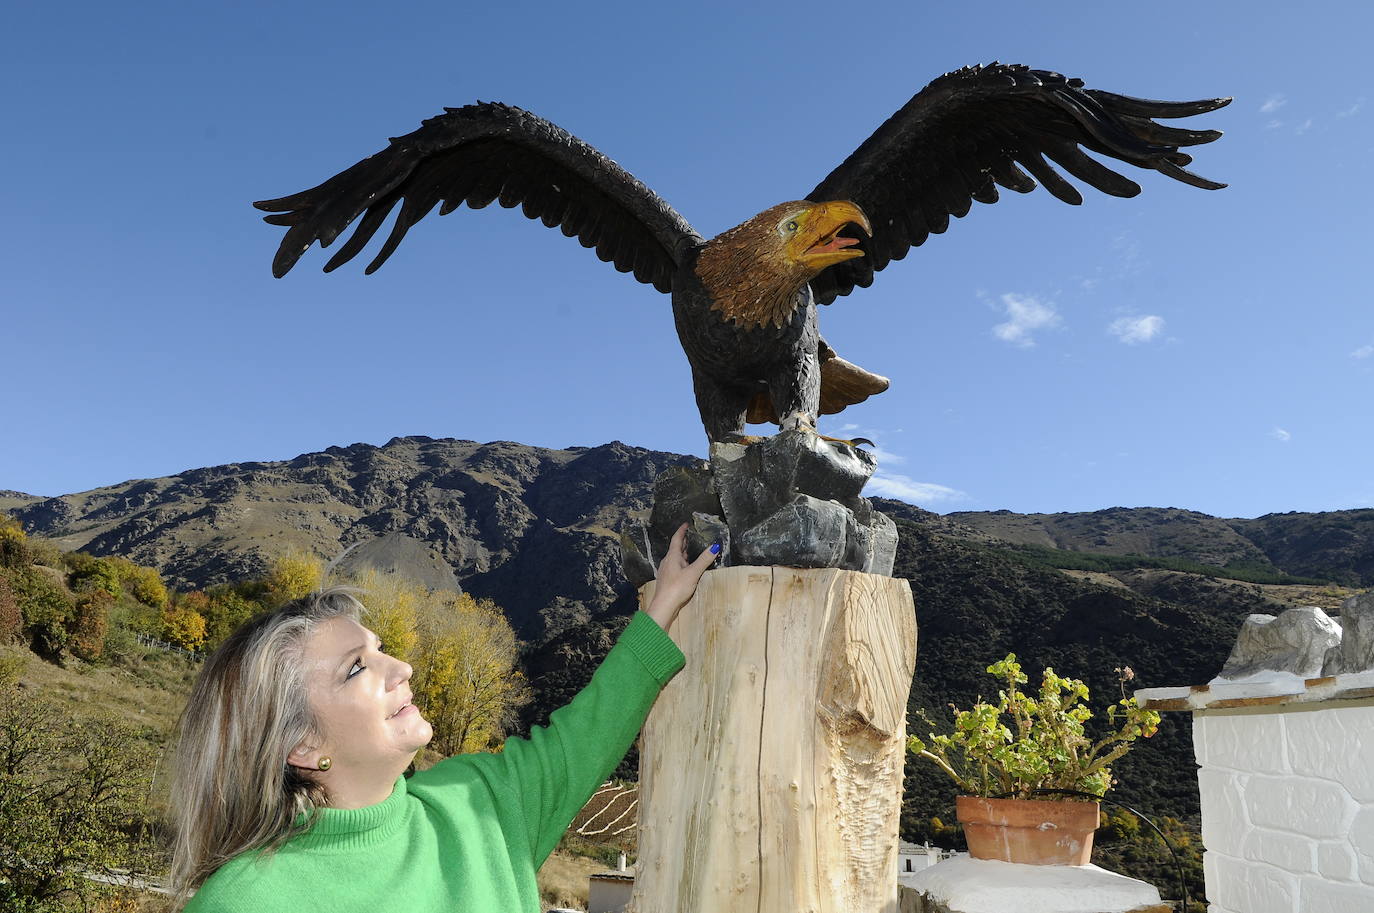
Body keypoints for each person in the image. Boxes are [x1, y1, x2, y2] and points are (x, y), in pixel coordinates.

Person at [167, 524, 717, 912]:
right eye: (356, 669)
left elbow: (587, 734)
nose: (402, 667)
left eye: (379, 648)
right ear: (303, 746)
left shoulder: (479, 799)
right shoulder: (246, 902)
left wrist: (662, 604)